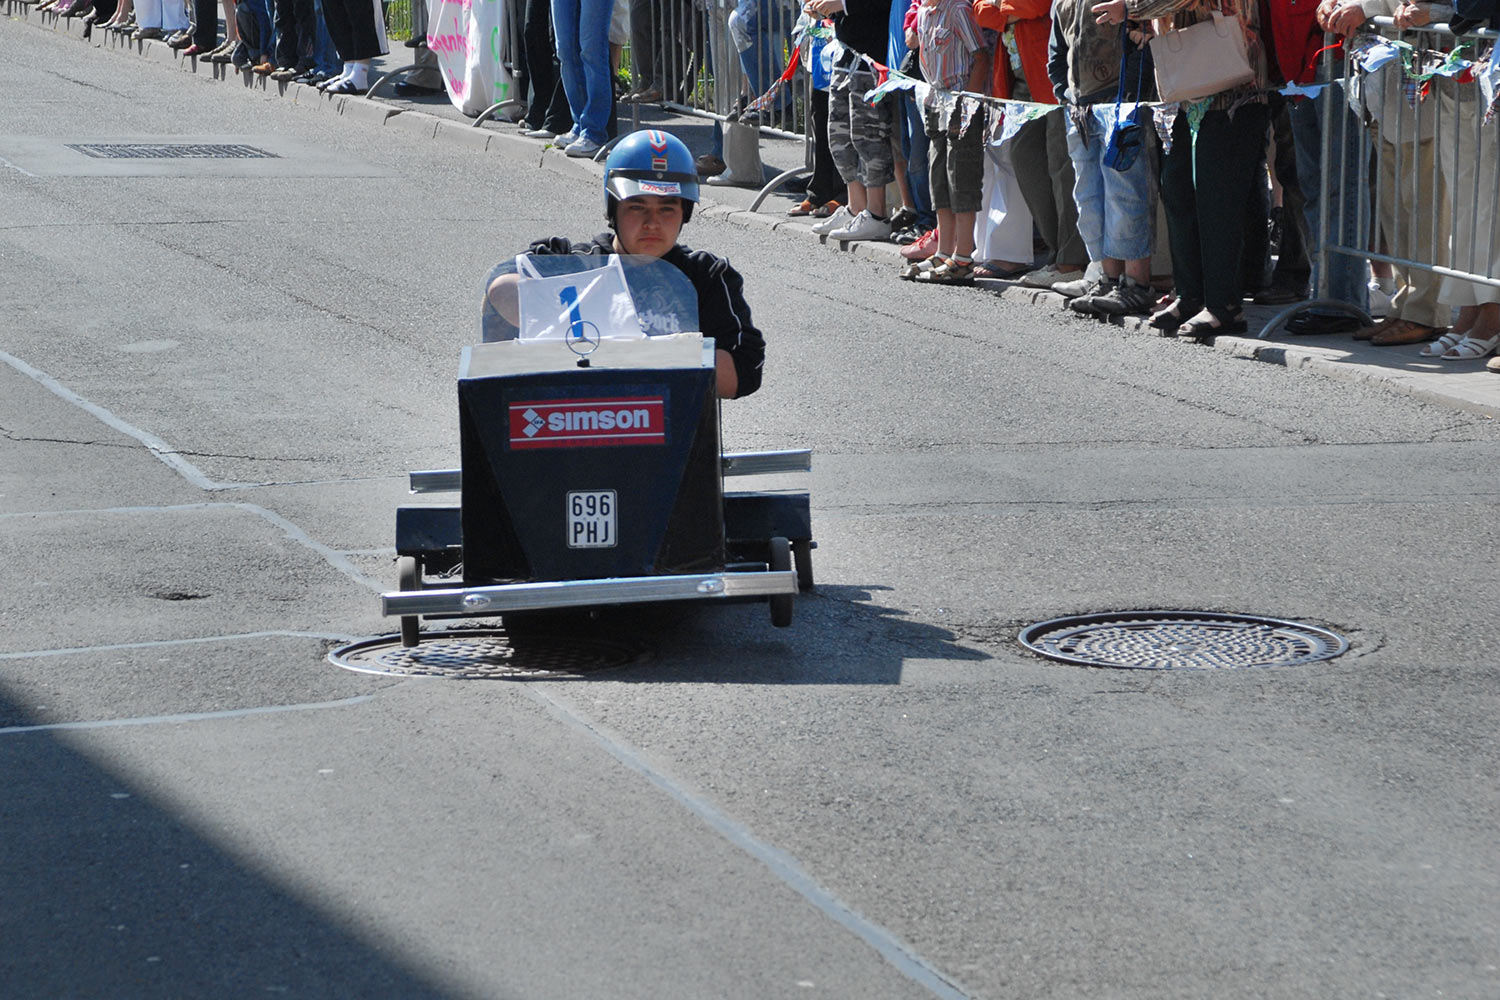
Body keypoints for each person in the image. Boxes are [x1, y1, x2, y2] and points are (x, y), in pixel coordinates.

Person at [486, 130, 766, 398]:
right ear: (613, 208)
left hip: (670, 422)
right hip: (573, 418)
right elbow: (500, 289)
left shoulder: (705, 275)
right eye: (637, 207)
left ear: (685, 213)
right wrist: (586, 313)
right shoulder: (576, 261)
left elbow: (744, 371)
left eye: (667, 209)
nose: (652, 223)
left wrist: (646, 354)